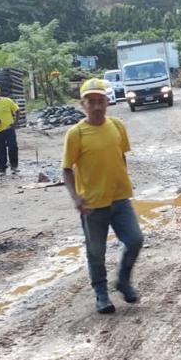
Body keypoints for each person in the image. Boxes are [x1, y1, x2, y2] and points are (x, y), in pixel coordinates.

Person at [62, 78, 143, 314]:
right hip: (93, 204)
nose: (97, 106)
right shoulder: (76, 133)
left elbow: (121, 157)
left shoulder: (117, 126)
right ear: (82, 104)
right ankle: (101, 294)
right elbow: (66, 169)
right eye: (92, 102)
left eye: (101, 101)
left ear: (107, 102)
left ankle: (123, 281)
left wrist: (122, 180)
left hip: (120, 199)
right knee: (96, 252)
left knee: (135, 240)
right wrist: (76, 198)